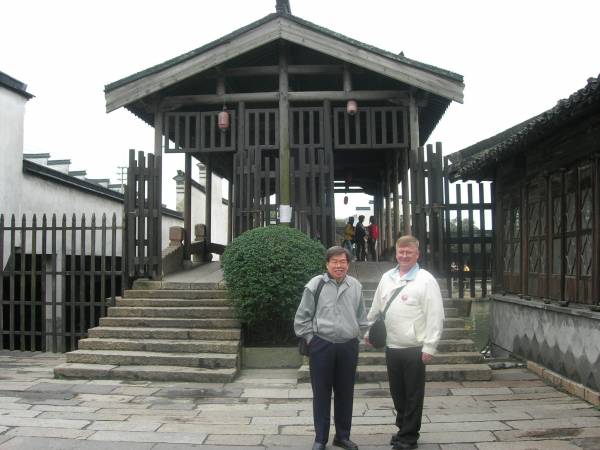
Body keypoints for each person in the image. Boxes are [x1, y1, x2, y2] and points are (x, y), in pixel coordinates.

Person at [366, 235, 444, 450]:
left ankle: (409, 437)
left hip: (415, 347)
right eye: (401, 252)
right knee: (397, 392)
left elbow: (435, 315)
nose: (405, 255)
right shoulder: (387, 277)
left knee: (413, 394)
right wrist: (369, 329)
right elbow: (377, 306)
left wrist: (430, 346)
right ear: (396, 253)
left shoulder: (426, 280)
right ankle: (402, 429)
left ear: (417, 254)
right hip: (392, 345)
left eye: (409, 252)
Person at [294, 246, 369, 450]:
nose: (339, 265)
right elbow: (301, 319)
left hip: (348, 346)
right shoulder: (315, 285)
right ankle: (320, 438)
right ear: (327, 264)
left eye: (343, 261)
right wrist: (311, 339)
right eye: (334, 261)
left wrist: (364, 335)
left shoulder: (355, 286)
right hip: (322, 345)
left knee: (346, 392)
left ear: (348, 264)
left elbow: (362, 317)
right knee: (321, 393)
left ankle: (343, 436)